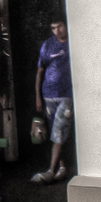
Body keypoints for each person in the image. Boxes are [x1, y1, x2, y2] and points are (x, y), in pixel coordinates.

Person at [32, 19, 72, 184]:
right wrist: (38, 96)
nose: (56, 31)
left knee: (59, 131)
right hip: (49, 95)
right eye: (53, 28)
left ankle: (50, 170)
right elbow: (40, 72)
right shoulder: (47, 45)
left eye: (59, 27)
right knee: (56, 133)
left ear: (66, 24)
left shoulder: (73, 42)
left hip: (66, 95)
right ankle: (61, 167)